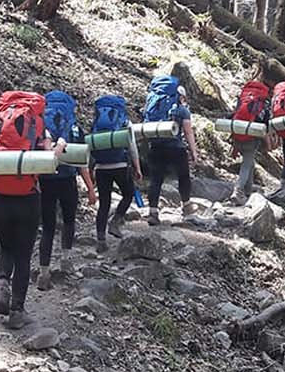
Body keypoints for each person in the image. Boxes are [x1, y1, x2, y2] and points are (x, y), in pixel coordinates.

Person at [0, 91, 62, 329]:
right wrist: (60, 147)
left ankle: (2, 286)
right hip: (27, 198)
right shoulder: (39, 128)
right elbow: (49, 161)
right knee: (23, 254)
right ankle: (17, 310)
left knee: (5, 247)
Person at [38, 91, 97, 290]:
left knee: (47, 227)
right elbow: (82, 162)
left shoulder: (40, 125)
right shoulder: (74, 128)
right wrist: (90, 189)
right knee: (69, 220)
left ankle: (43, 272)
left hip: (45, 180)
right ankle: (66, 260)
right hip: (67, 180)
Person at [143, 76, 198, 225]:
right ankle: (187, 208)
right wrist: (193, 152)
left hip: (156, 147)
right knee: (183, 177)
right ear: (180, 96)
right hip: (176, 148)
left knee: (156, 180)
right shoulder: (182, 110)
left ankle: (153, 212)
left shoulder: (153, 105)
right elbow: (188, 132)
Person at [89, 94, 141, 251]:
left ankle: (100, 240)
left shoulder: (96, 123)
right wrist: (137, 168)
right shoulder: (125, 122)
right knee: (128, 194)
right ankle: (115, 222)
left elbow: (90, 146)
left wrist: (91, 169)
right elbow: (132, 147)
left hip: (101, 167)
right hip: (120, 165)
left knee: (104, 203)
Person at [229, 78, 272, 204]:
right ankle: (238, 191)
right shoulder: (263, 102)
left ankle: (247, 190)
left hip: (237, 134)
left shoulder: (243, 97)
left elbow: (235, 116)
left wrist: (234, 145)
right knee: (246, 165)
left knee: (250, 163)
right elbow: (266, 124)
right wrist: (268, 142)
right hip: (251, 137)